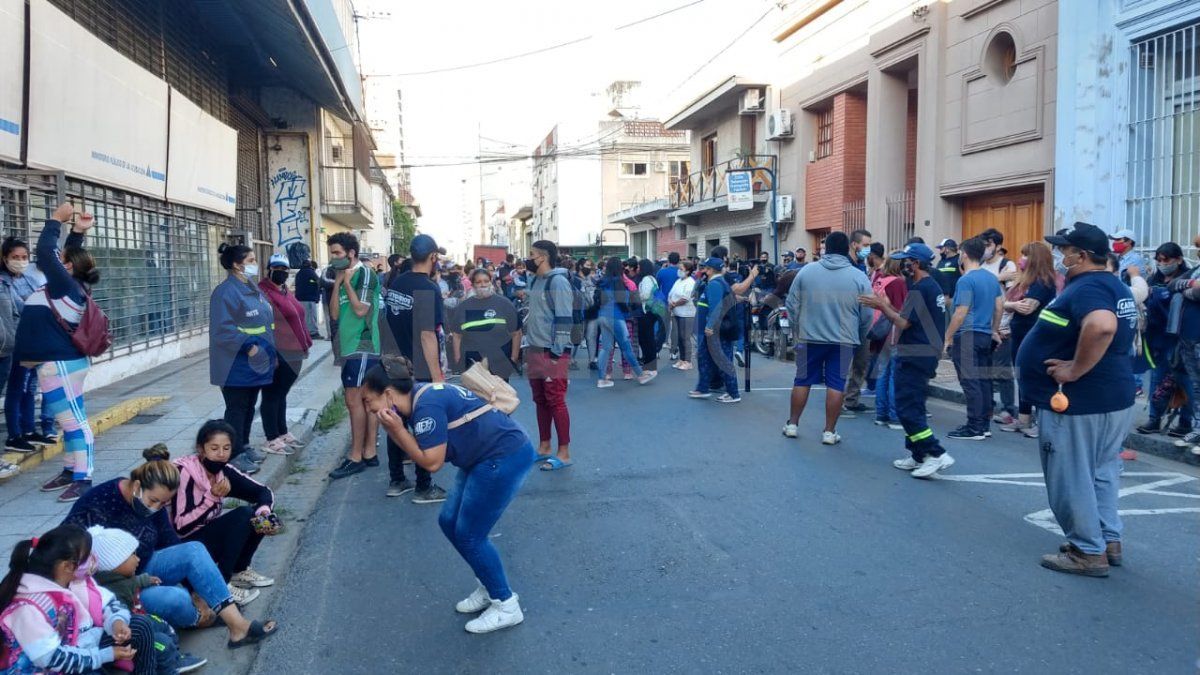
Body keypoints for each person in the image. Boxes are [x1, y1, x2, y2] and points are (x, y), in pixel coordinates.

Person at [362, 357, 536, 634]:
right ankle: (488, 583)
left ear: (388, 394)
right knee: (448, 521)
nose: (367, 408)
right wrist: (395, 427)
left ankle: (506, 604)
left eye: (368, 400)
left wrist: (394, 429)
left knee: (470, 534)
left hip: (502, 457)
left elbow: (431, 462)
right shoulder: (420, 396)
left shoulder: (426, 407)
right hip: (481, 458)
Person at [1016, 222, 1138, 576]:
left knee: (1070, 475)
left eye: (1064, 250)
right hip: (1110, 397)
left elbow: (1101, 326)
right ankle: (1106, 540)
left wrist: (1073, 370)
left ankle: (1087, 551)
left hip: (1078, 401)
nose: (1060, 256)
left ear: (1081, 256)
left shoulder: (1089, 287)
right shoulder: (1112, 285)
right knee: (1101, 473)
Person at [63, 446, 277, 645]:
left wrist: (195, 590)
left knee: (193, 550)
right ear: (137, 486)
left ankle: (238, 627)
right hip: (111, 589)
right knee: (176, 598)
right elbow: (62, 545)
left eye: (162, 504)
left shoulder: (152, 507)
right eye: (153, 500)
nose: (156, 508)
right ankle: (201, 618)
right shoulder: (99, 500)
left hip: (144, 566)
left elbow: (172, 543)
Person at [14, 202, 99, 502]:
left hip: (61, 364)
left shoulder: (65, 285)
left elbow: (45, 251)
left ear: (68, 267)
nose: (55, 261)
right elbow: (64, 256)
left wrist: (55, 221)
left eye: (62, 260)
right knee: (69, 420)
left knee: (75, 421)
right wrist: (76, 232)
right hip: (56, 364)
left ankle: (83, 476)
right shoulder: (66, 284)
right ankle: (69, 470)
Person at [859, 243, 953, 478]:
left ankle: (936, 453)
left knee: (907, 407)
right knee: (912, 405)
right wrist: (887, 305)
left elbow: (903, 323)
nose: (903, 265)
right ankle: (918, 454)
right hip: (922, 352)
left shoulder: (921, 289)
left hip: (916, 354)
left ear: (916, 264)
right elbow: (907, 317)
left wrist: (882, 305)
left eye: (906, 261)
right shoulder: (929, 286)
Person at [0, 524, 136, 673]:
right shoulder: (28, 609)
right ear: (67, 566)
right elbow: (52, 659)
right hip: (49, 667)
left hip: (69, 660)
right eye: (86, 558)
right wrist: (105, 655)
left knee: (140, 628)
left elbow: (108, 604)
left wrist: (117, 621)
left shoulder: (67, 584)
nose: (92, 561)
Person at [171, 420, 277, 607]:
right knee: (243, 515)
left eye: (226, 448)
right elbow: (181, 525)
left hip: (205, 538)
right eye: (214, 448)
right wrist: (211, 498)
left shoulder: (223, 471)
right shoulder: (184, 472)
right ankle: (221, 583)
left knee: (257, 514)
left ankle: (240, 570)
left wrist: (265, 515)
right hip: (182, 546)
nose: (221, 455)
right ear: (201, 449)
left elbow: (263, 492)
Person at [782, 231, 872, 444]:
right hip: (843, 340)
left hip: (809, 336)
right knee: (836, 384)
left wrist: (797, 329)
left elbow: (792, 304)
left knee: (802, 380)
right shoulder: (858, 276)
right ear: (847, 249)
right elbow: (867, 313)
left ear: (826, 249)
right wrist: (858, 333)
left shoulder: (806, 272)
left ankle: (793, 424)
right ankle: (829, 432)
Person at [378, 234, 449, 501]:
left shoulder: (398, 282)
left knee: (395, 422)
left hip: (393, 364)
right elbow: (427, 335)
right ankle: (423, 486)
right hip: (417, 370)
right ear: (432, 257)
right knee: (423, 425)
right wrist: (437, 377)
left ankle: (397, 480)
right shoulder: (429, 289)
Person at [88, 526, 205, 674]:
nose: (138, 559)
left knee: (164, 625)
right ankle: (169, 668)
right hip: (127, 633)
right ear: (115, 563)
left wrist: (146, 580)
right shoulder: (112, 590)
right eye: (132, 555)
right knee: (161, 642)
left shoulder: (120, 577)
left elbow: (134, 582)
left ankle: (174, 656)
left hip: (137, 619)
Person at [208, 242, 275, 477]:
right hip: (234, 365)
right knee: (236, 409)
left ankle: (243, 445)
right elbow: (222, 331)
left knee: (248, 408)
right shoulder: (226, 292)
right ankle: (233, 456)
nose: (255, 264)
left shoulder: (251, 288)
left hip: (255, 363)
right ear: (236, 265)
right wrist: (249, 347)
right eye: (250, 260)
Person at [326, 233, 385, 482]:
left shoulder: (366, 275)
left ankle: (356, 456)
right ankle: (369, 452)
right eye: (332, 253)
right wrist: (339, 282)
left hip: (362, 345)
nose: (333, 257)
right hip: (349, 346)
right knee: (365, 401)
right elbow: (335, 314)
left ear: (351, 253)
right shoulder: (341, 276)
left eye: (337, 253)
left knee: (353, 401)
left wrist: (347, 283)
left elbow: (361, 310)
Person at [1, 236, 55, 461]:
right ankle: (15, 435)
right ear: (4, 258)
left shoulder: (26, 279)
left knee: (29, 388)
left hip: (30, 343)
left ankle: (28, 430)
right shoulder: (4, 282)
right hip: (12, 344)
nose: (20, 261)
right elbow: (21, 308)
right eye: (15, 257)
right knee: (15, 388)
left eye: (24, 257)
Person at [944, 237, 1004, 440]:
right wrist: (994, 330)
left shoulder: (966, 280)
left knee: (971, 382)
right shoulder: (990, 278)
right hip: (985, 335)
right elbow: (999, 307)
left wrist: (947, 337)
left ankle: (974, 427)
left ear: (965, 254)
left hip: (967, 335)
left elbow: (961, 312)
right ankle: (984, 425)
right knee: (984, 381)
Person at [996, 242, 1058, 437]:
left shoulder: (1043, 282)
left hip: (1034, 336)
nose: (1021, 259)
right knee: (1022, 376)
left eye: (1025, 255)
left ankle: (1042, 422)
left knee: (1036, 377)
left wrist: (1010, 305)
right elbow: (1007, 304)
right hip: (1019, 334)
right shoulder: (1025, 281)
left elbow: (1027, 307)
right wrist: (1012, 304)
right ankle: (1023, 419)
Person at [523, 240, 575, 470]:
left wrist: (556, 351)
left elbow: (565, 318)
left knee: (555, 400)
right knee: (540, 400)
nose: (528, 258)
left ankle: (563, 453)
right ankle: (544, 446)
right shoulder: (535, 280)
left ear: (542, 257)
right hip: (534, 348)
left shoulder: (558, 282)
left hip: (551, 351)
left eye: (531, 254)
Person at [259, 255, 312, 455]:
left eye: (285, 268)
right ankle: (271, 437)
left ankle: (282, 432)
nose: (282, 272)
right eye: (277, 268)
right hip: (279, 351)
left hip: (295, 351)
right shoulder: (263, 293)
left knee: (282, 394)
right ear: (269, 269)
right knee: (272, 395)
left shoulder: (284, 291)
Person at [1137, 243, 1192, 437]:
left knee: (1185, 381)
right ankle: (1154, 418)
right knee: (1158, 380)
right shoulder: (1155, 278)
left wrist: (1158, 295)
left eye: (1166, 259)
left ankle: (1186, 422)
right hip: (1157, 337)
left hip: (1180, 338)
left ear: (1178, 259)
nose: (1162, 263)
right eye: (1158, 260)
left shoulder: (1186, 277)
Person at [449, 269, 521, 381]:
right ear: (472, 285)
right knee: (475, 397)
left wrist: (514, 357)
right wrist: (458, 358)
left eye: (486, 281)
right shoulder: (463, 307)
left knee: (499, 397)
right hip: (472, 366)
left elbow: (516, 333)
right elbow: (457, 335)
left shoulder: (505, 304)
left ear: (491, 282)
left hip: (499, 364)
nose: (483, 285)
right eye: (478, 282)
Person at [594, 257, 655, 390]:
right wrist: (627, 310)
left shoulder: (602, 282)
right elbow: (622, 301)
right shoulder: (618, 282)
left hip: (603, 316)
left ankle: (601, 378)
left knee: (605, 348)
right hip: (616, 316)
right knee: (627, 347)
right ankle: (640, 375)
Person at [688, 257, 740, 403]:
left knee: (722, 360)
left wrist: (710, 326)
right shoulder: (718, 282)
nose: (702, 270)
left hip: (717, 330)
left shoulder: (715, 284)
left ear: (710, 270)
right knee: (704, 357)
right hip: (717, 329)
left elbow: (716, 308)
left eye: (705, 268)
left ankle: (733, 393)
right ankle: (703, 388)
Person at [870, 257, 908, 429]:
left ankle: (881, 413)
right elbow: (901, 311)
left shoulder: (879, 280)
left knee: (882, 373)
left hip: (879, 331)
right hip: (893, 333)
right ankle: (894, 416)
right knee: (894, 375)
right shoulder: (898, 283)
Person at [841, 230, 874, 413]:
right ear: (855, 244)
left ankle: (851, 400)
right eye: (866, 245)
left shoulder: (861, 264)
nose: (868, 249)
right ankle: (837, 402)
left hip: (863, 318)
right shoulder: (845, 264)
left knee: (861, 362)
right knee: (842, 363)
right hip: (846, 318)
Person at [635, 258, 666, 375]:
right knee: (647, 338)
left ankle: (650, 366)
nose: (637, 269)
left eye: (639, 267)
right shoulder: (651, 278)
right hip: (652, 311)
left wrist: (636, 296)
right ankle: (648, 363)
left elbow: (646, 295)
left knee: (647, 338)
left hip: (648, 311)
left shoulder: (647, 279)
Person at [667, 260, 697, 371]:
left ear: (688, 271)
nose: (679, 271)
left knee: (685, 337)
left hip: (686, 313)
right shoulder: (678, 281)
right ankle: (682, 359)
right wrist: (670, 302)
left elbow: (685, 298)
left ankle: (688, 361)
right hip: (676, 312)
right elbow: (671, 293)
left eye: (681, 269)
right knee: (679, 337)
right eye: (679, 269)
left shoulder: (690, 282)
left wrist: (674, 304)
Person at [656, 252, 682, 359]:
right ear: (679, 260)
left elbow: (656, 287)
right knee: (675, 328)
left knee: (662, 326)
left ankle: (657, 350)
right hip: (677, 303)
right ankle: (673, 352)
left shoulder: (661, 272)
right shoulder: (681, 273)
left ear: (668, 261)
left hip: (663, 302)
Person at [294, 259, 323, 339]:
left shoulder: (299, 273)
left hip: (299, 299)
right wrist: (319, 292)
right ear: (310, 265)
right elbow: (319, 281)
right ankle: (313, 333)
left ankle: (306, 333)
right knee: (311, 316)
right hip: (309, 298)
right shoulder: (310, 272)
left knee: (305, 317)